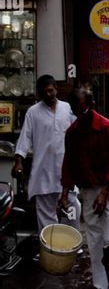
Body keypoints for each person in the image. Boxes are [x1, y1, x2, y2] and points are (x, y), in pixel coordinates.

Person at [58, 88, 109, 289]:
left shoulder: (108, 128)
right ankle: (101, 286)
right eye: (77, 112)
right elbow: (69, 164)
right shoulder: (72, 132)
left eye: (84, 110)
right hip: (89, 188)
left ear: (92, 104)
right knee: (94, 238)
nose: (81, 116)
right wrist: (65, 193)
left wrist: (105, 193)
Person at [12, 75, 80, 234]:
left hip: (66, 169)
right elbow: (25, 138)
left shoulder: (68, 109)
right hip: (43, 170)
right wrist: (19, 161)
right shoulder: (33, 112)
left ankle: (72, 246)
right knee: (45, 214)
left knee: (73, 207)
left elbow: (79, 134)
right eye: (45, 93)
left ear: (56, 88)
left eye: (51, 91)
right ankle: (50, 249)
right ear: (39, 94)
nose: (49, 95)